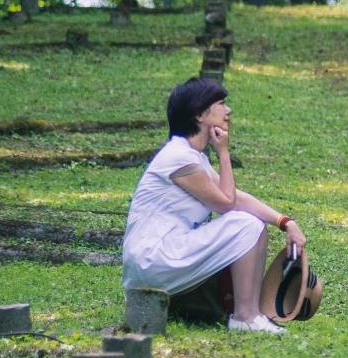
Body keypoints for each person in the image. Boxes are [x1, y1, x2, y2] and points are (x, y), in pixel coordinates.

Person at [123, 77, 308, 335]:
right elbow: (226, 204)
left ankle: (251, 314)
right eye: (221, 103)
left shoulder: (192, 156)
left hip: (162, 256)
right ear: (200, 114)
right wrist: (223, 153)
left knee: (252, 223)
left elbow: (237, 197)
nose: (228, 110)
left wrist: (285, 222)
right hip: (153, 259)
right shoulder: (178, 157)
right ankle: (244, 317)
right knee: (245, 224)